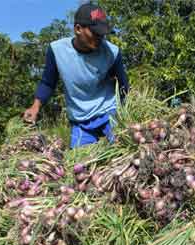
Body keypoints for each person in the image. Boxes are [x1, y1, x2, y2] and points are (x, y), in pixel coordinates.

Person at [23, 3, 129, 148]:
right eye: (95, 33)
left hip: (110, 114)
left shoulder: (111, 52)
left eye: (102, 34)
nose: (100, 38)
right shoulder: (57, 51)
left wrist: (126, 116)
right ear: (78, 29)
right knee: (80, 163)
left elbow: (123, 86)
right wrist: (35, 107)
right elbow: (48, 83)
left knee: (121, 149)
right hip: (81, 120)